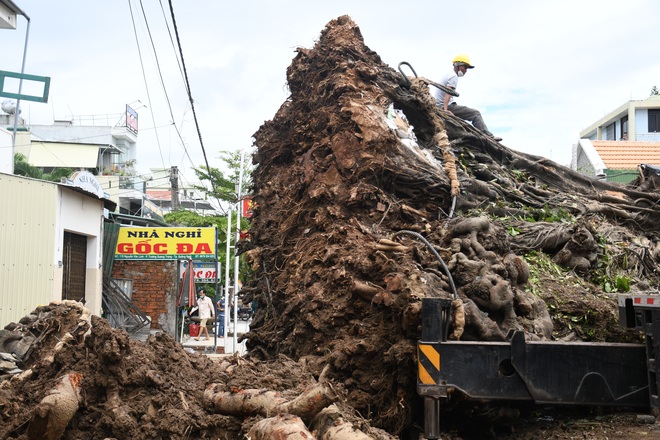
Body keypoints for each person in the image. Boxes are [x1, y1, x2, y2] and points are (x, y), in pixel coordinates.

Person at [432, 54, 502, 142]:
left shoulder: (449, 75)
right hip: (445, 106)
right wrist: (445, 109)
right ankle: (488, 136)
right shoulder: (453, 76)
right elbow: (448, 93)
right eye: (464, 67)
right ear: (457, 65)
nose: (465, 71)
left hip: (441, 105)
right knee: (475, 114)